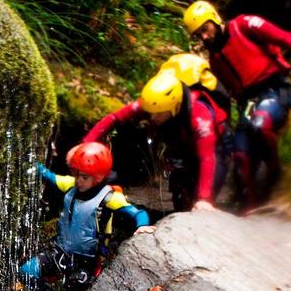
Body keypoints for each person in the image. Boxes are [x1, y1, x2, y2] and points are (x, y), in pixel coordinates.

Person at [182, 0, 291, 208]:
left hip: (274, 90)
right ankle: (251, 208)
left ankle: (276, 174)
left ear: (214, 19)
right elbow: (228, 96)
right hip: (249, 103)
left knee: (259, 125)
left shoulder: (245, 25)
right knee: (240, 155)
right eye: (198, 35)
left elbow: (284, 38)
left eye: (205, 29)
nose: (204, 37)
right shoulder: (215, 59)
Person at [20, 142, 152, 291]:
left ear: (98, 177)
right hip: (61, 253)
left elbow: (138, 213)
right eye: (77, 175)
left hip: (87, 261)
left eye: (85, 177)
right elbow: (48, 175)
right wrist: (27, 159)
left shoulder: (109, 197)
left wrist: (142, 226)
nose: (79, 181)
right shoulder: (70, 185)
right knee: (27, 271)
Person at [83, 67, 230, 212]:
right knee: (180, 191)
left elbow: (207, 158)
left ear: (174, 107)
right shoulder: (153, 105)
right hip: (183, 141)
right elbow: (114, 118)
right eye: (150, 113)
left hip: (216, 148)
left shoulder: (199, 116)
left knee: (201, 198)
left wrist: (204, 198)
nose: (152, 117)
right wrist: (85, 145)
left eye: (158, 114)